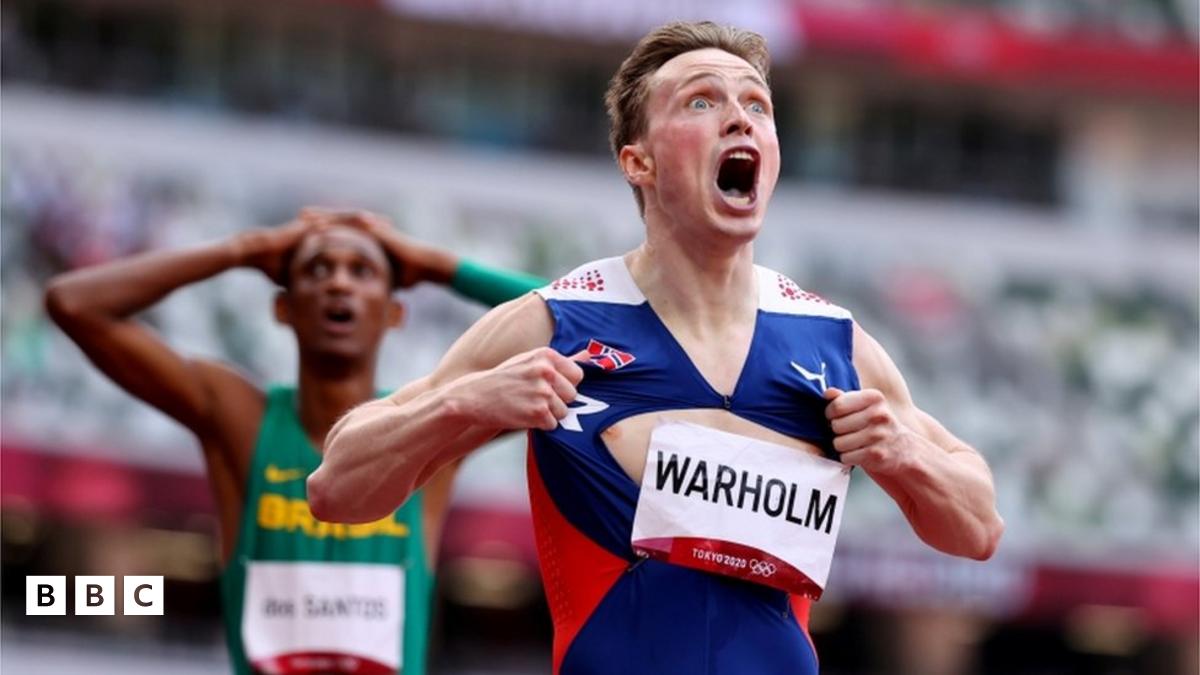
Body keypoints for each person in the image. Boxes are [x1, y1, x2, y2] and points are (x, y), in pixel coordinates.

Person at [310, 21, 1005, 675]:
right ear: (637, 161)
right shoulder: (556, 322)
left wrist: (902, 453)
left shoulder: (833, 342)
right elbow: (336, 488)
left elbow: (977, 529)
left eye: (757, 106)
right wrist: (466, 403)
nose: (740, 119)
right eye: (702, 101)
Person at [44, 208, 545, 675]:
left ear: (394, 313)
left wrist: (439, 266)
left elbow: (581, 332)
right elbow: (74, 304)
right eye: (317, 269)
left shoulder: (434, 419)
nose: (339, 283)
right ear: (283, 308)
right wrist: (243, 249)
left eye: (362, 271)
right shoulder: (239, 419)